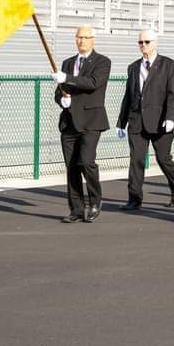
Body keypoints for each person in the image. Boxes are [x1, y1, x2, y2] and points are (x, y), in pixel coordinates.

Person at [116, 28, 174, 211]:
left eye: (147, 42)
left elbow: (173, 94)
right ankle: (134, 198)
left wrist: (170, 118)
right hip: (137, 122)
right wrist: (121, 123)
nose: (143, 45)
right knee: (136, 160)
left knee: (164, 159)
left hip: (161, 122)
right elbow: (128, 97)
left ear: (156, 43)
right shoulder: (133, 67)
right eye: (140, 42)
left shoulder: (169, 65)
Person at [52, 25, 111, 223]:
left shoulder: (102, 62)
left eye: (86, 37)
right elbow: (60, 91)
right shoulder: (68, 62)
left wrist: (67, 78)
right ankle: (76, 209)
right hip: (69, 122)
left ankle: (95, 200)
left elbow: (92, 82)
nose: (82, 41)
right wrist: (62, 99)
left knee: (86, 161)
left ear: (93, 40)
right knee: (71, 167)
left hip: (91, 121)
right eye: (79, 37)